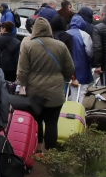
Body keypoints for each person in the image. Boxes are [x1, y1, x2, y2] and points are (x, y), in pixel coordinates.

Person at [16, 17, 74, 150]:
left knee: (37, 121)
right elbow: (70, 68)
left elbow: (22, 70)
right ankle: (51, 152)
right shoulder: (60, 45)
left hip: (34, 90)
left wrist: (22, 86)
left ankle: (38, 149)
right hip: (56, 90)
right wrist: (63, 78)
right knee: (52, 123)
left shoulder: (28, 45)